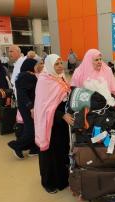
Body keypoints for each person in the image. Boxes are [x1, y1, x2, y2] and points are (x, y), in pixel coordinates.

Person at [34, 54, 73, 194]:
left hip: (61, 123)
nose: (60, 66)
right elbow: (44, 107)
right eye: (57, 64)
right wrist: (62, 115)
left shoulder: (61, 77)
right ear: (50, 65)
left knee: (62, 149)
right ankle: (48, 182)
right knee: (50, 153)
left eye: (61, 63)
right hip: (49, 123)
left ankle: (62, 180)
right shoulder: (44, 81)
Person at [7, 58, 39, 159]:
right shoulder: (27, 76)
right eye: (36, 65)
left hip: (24, 106)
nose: (38, 67)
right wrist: (31, 107)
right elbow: (23, 94)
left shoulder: (22, 75)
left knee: (33, 128)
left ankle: (34, 148)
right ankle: (16, 145)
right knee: (31, 129)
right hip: (28, 107)